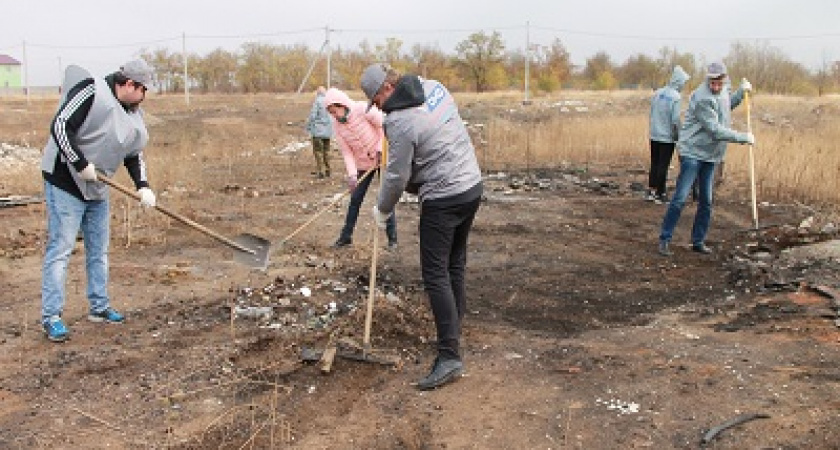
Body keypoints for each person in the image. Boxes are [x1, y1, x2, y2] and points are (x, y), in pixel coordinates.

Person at [362, 63, 483, 390]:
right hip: (471, 186)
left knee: (435, 273)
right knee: (454, 263)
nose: (379, 108)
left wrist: (382, 210)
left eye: (376, 101)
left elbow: (397, 177)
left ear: (387, 89)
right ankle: (452, 330)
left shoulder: (399, 121)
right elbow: (436, 141)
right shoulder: (434, 87)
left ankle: (449, 357)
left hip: (444, 198)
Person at [40, 59, 157, 342]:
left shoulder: (132, 114)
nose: (144, 96)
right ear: (129, 84)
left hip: (97, 187)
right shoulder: (91, 91)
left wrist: (142, 186)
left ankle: (99, 307)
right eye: (143, 90)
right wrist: (79, 163)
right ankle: (51, 317)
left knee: (99, 251)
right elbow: (60, 126)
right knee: (61, 249)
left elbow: (133, 153)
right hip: (65, 181)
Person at [658, 62, 754, 257]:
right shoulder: (702, 98)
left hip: (711, 155)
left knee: (706, 200)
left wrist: (741, 93)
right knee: (680, 197)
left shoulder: (723, 91)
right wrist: (743, 137)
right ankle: (665, 239)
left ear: (724, 80)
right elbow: (715, 130)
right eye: (712, 83)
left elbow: (726, 106)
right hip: (692, 152)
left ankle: (698, 241)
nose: (715, 87)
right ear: (708, 79)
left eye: (719, 83)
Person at [323, 87, 397, 250]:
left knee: (385, 198)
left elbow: (385, 127)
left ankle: (393, 239)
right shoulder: (337, 127)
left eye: (335, 111)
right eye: (331, 113)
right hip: (363, 164)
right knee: (355, 199)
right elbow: (347, 153)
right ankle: (346, 237)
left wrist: (380, 149)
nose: (334, 116)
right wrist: (352, 175)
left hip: (382, 158)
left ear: (341, 104)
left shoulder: (362, 109)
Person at [647, 65, 690, 204]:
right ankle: (661, 193)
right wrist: (678, 135)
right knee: (663, 165)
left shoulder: (658, 93)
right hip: (667, 137)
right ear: (679, 81)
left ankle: (651, 191)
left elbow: (651, 113)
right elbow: (675, 119)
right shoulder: (675, 97)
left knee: (655, 163)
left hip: (654, 134)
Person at [305, 86, 333, 178]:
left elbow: (312, 116)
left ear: (318, 93)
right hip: (328, 132)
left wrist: (308, 127)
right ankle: (328, 170)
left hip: (318, 131)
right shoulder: (329, 102)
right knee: (326, 151)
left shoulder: (317, 102)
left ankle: (320, 171)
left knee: (318, 152)